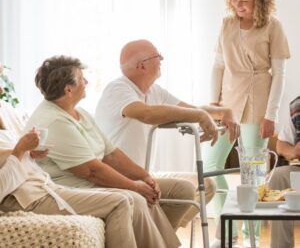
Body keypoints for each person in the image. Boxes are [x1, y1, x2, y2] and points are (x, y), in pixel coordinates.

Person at [24, 55, 196, 236]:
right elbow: (92, 171)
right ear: (68, 89)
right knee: (136, 197)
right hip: (78, 189)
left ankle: (155, 238)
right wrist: (135, 186)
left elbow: (111, 154)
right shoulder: (54, 121)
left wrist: (145, 176)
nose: (87, 82)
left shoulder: (79, 112)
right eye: (82, 79)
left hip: (94, 182)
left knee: (182, 190)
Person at [95, 39, 240, 228]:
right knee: (186, 190)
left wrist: (224, 112)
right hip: (119, 177)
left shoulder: (153, 90)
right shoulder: (118, 89)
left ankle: (159, 236)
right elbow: (147, 114)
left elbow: (190, 109)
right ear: (142, 66)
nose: (162, 58)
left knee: (207, 185)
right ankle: (157, 238)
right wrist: (199, 115)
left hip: (144, 173)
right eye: (157, 55)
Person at [204, 0, 290, 247]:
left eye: (245, 1)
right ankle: (227, 232)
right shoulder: (226, 24)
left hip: (259, 100)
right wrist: (213, 105)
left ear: (260, 0)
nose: (238, 5)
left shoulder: (272, 27)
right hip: (228, 102)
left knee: (252, 172)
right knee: (211, 165)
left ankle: (250, 237)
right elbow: (217, 66)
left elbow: (279, 74)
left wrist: (271, 114)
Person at [0, 129, 180, 248]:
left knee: (130, 197)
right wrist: (20, 150)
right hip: (27, 199)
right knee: (120, 202)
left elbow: (14, 162)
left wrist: (29, 154)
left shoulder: (5, 131)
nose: (2, 89)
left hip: (45, 189)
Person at [269, 96, 300, 248]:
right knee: (278, 176)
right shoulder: (297, 105)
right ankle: (281, 245)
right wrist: (294, 151)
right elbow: (281, 144)